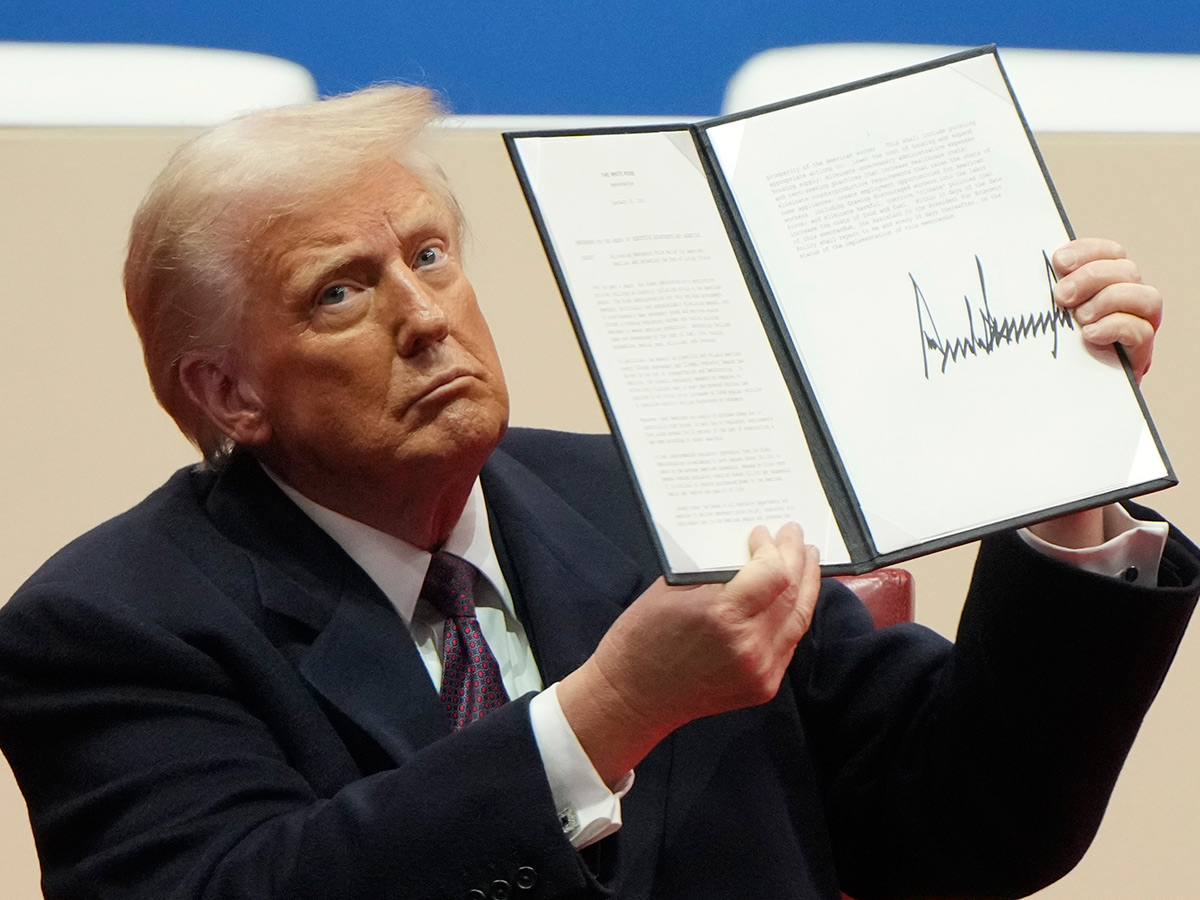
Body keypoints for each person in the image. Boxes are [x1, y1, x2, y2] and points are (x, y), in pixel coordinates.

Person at [0, 84, 1196, 900]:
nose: (426, 318)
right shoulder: (110, 625)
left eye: (428, 255)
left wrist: (1064, 484)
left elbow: (966, 829)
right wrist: (602, 718)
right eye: (339, 294)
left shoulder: (644, 496)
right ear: (227, 394)